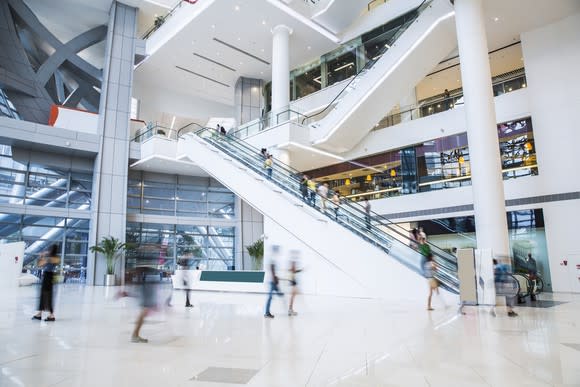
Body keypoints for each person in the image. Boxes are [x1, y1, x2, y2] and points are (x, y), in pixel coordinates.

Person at [32, 244, 59, 322]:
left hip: (48, 277)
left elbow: (40, 264)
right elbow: (40, 264)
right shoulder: (55, 258)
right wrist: (44, 256)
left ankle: (50, 315)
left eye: (50, 249)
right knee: (44, 296)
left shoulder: (52, 258)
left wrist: (43, 256)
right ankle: (40, 314)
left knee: (46, 296)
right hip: (48, 277)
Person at [264, 246, 284, 318]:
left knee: (279, 295)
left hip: (273, 281)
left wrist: (276, 278)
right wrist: (274, 279)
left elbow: (273, 271)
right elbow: (272, 271)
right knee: (271, 297)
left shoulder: (272, 258)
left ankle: (267, 312)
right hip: (272, 281)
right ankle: (267, 313)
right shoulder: (272, 258)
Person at [287, 251, 302, 316]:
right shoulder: (293, 263)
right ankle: (290, 310)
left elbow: (293, 271)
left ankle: (290, 310)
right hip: (293, 282)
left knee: (293, 296)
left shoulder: (292, 264)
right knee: (293, 296)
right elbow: (293, 271)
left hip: (293, 282)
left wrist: (299, 270)